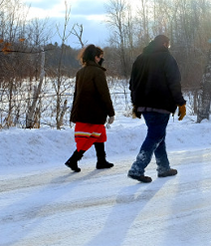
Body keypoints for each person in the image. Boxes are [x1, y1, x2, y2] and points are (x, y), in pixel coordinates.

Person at [127, 34, 186, 183]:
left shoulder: (140, 59)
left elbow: (132, 84)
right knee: (155, 136)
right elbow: (174, 82)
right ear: (165, 44)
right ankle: (137, 168)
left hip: (144, 105)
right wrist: (181, 103)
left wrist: (135, 103)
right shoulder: (167, 58)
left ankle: (163, 168)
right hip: (161, 104)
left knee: (158, 135)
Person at [65, 44, 115, 172]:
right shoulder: (98, 72)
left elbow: (77, 93)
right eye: (100, 57)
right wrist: (111, 112)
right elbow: (103, 93)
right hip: (95, 111)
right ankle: (74, 159)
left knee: (99, 135)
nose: (101, 59)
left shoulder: (80, 72)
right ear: (95, 57)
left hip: (82, 110)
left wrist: (74, 112)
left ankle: (101, 160)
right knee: (89, 137)